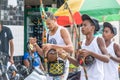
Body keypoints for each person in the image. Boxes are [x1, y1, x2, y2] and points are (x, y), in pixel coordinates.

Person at [59, 14, 110, 80]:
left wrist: (90, 53)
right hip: (83, 77)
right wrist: (67, 56)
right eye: (82, 25)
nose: (82, 27)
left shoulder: (98, 40)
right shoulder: (81, 43)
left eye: (85, 25)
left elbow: (107, 59)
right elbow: (78, 64)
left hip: (97, 77)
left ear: (92, 28)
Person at [42, 11, 74, 80]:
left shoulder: (62, 30)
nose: (47, 26)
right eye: (46, 24)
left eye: (49, 24)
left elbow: (71, 48)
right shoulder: (47, 33)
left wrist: (52, 46)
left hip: (61, 66)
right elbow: (44, 53)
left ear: (54, 20)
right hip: (50, 66)